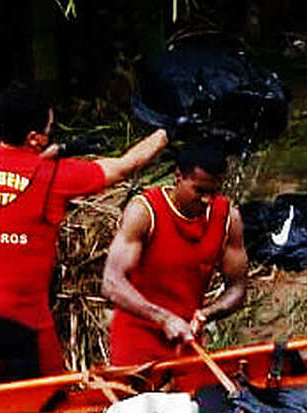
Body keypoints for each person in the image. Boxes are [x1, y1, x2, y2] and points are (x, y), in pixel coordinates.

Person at [0, 83, 167, 386]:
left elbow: (13, 170)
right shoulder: (54, 177)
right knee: (56, 397)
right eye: (49, 129)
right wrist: (164, 134)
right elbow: (123, 168)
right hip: (23, 326)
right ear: (34, 138)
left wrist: (54, 151)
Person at [103, 141, 248, 367]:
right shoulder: (144, 212)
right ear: (178, 177)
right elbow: (112, 284)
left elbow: (237, 288)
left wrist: (207, 314)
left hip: (186, 339)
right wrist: (163, 318)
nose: (207, 200)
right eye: (199, 190)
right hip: (136, 341)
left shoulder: (228, 218)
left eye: (214, 191)